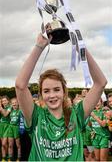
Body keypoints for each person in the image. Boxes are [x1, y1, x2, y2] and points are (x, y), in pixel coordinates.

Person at [15, 30, 107, 161]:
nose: (52, 95)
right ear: (41, 95)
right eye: (46, 91)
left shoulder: (77, 114)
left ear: (64, 92)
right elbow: (20, 86)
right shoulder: (36, 117)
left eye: (57, 89)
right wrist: (39, 46)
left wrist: (80, 47)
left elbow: (100, 83)